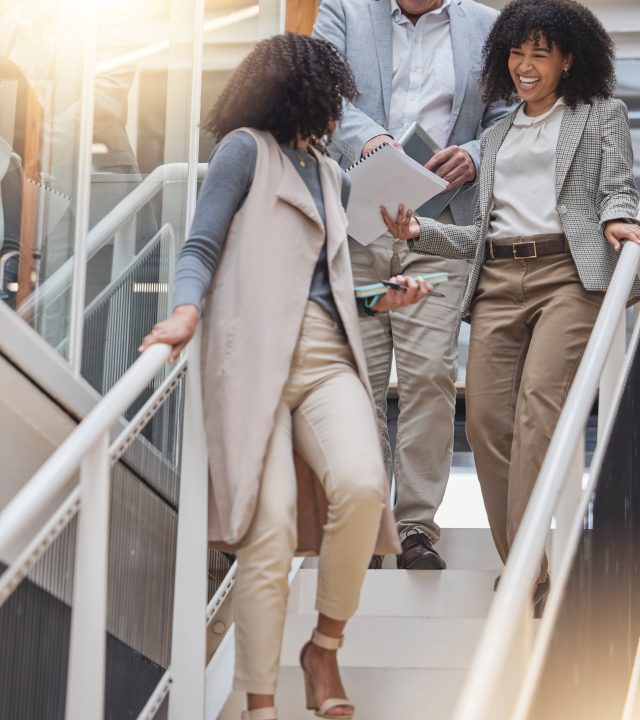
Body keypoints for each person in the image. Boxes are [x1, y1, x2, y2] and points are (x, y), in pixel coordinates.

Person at [141, 33, 437, 720]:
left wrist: (377, 298)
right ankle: (261, 705)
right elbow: (201, 243)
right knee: (267, 527)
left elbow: (323, 283)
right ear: (299, 93)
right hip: (253, 362)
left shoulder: (332, 173)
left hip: (329, 354)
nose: (338, 112)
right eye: (332, 97)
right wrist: (186, 312)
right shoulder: (245, 150)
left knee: (364, 486)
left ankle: (323, 646)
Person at [380, 0, 640, 614]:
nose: (526, 65)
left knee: (538, 414)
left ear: (569, 59)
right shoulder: (494, 137)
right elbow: (481, 235)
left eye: (540, 53)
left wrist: (620, 217)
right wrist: (421, 234)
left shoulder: (599, 114)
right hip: (498, 276)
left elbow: (617, 186)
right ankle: (529, 560)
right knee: (491, 423)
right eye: (517, 53)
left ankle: (525, 569)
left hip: (568, 276)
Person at [313, 0, 511, 570]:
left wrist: (474, 154)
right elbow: (325, 90)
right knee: (362, 381)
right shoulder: (344, 11)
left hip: (438, 229)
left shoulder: (486, 24)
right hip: (358, 228)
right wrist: (367, 138)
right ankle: (366, 524)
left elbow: (504, 119)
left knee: (430, 374)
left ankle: (415, 526)